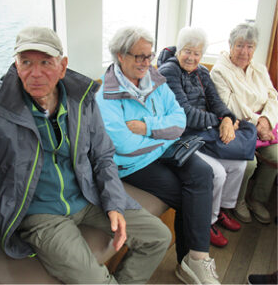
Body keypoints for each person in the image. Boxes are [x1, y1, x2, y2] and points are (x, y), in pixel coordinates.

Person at [0, 25, 170, 284]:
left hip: (87, 195)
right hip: (40, 213)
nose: (35, 73)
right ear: (16, 65)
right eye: (26, 62)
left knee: (159, 237)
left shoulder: (81, 99)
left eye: (46, 62)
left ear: (62, 66)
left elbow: (103, 155)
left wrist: (114, 202)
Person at [97, 26, 219, 285]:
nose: (145, 63)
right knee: (191, 195)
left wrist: (147, 127)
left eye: (149, 56)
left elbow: (179, 121)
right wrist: (163, 133)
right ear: (120, 55)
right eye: (138, 56)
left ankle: (195, 259)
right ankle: (191, 263)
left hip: (167, 149)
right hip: (135, 164)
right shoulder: (106, 95)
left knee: (203, 172)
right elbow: (124, 145)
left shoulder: (154, 78)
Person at [158, 26, 247, 247]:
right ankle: (207, 221)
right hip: (181, 137)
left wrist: (227, 116)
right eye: (187, 51)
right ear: (179, 50)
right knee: (216, 173)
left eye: (197, 53)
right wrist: (218, 121)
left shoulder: (202, 72)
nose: (192, 57)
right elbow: (184, 114)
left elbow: (215, 101)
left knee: (239, 164)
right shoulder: (169, 72)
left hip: (203, 134)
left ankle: (221, 211)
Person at [209, 22, 278, 225]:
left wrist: (267, 120)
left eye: (249, 46)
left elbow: (272, 97)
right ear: (230, 46)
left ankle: (257, 199)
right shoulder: (220, 72)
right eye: (239, 45)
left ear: (254, 48)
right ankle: (236, 202)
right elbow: (231, 107)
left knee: (276, 155)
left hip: (263, 125)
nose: (244, 52)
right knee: (250, 164)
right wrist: (259, 122)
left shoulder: (258, 69)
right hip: (236, 126)